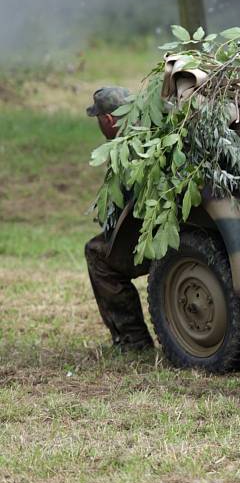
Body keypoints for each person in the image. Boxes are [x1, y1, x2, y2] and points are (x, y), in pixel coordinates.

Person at [84, 87, 154, 352]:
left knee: (98, 254)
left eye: (98, 118)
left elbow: (130, 205)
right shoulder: (151, 131)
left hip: (155, 232)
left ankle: (133, 339)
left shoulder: (126, 150)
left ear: (109, 120)